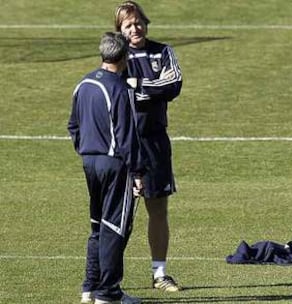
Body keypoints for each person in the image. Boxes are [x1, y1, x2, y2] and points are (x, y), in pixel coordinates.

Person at [68, 32, 145, 304]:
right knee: (115, 227)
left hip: (90, 162)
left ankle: (89, 286)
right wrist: (138, 173)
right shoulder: (120, 89)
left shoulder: (83, 83)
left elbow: (73, 126)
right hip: (115, 165)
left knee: (98, 225)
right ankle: (109, 292)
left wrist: (86, 150)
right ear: (124, 57)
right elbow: (127, 137)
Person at [114, 1, 183, 292]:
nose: (135, 28)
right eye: (128, 24)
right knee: (119, 215)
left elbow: (174, 84)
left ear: (146, 22)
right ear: (119, 29)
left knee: (158, 209)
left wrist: (138, 86)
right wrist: (150, 87)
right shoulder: (117, 55)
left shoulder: (162, 51)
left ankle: (160, 274)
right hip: (124, 144)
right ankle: (110, 279)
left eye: (138, 21)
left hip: (155, 143)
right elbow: (113, 88)